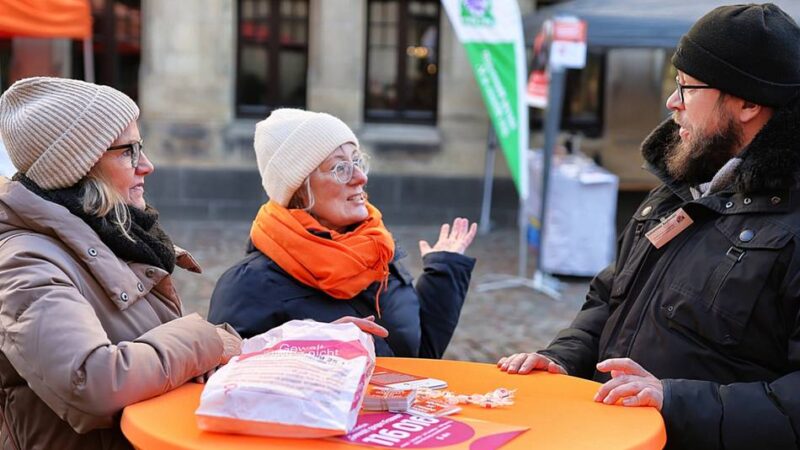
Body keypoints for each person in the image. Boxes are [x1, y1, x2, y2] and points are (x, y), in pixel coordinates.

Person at [0, 78, 383, 450]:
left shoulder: (113, 236)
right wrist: (206, 339)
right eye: (128, 150)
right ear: (78, 166)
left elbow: (174, 367)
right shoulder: (25, 261)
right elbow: (91, 380)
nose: (146, 164)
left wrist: (298, 343)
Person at [498, 4, 800, 450]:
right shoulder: (681, 186)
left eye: (687, 87)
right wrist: (564, 358)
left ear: (748, 102)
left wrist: (673, 400)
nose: (671, 101)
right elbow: (610, 295)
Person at [208, 108, 477, 358]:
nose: (360, 177)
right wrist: (314, 346)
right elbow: (227, 382)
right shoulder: (247, 286)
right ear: (299, 190)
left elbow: (419, 357)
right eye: (340, 168)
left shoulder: (377, 254)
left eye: (357, 161)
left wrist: (443, 274)